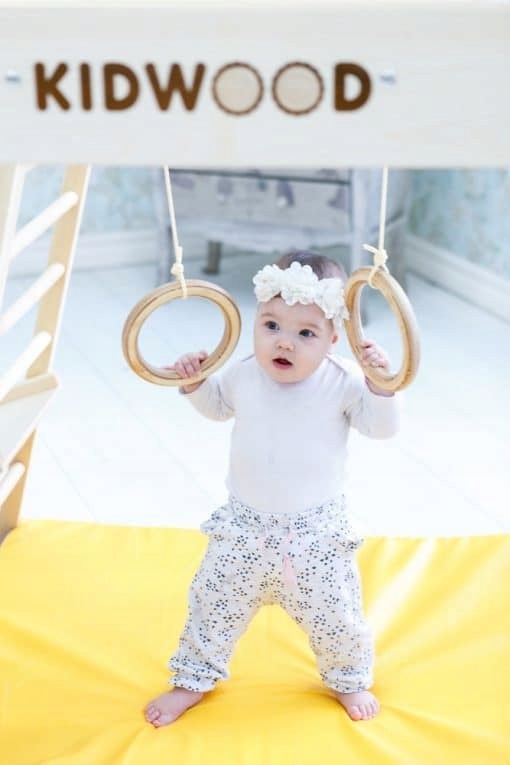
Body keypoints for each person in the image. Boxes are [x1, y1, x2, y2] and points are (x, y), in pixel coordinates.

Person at [144, 250, 398, 727]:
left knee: (337, 615)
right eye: (271, 325)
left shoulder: (343, 381)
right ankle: (192, 679)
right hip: (243, 530)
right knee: (212, 605)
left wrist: (381, 386)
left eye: (306, 334)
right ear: (255, 321)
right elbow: (217, 407)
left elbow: (381, 429)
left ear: (333, 340)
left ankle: (348, 677)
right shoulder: (244, 372)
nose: (284, 342)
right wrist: (195, 383)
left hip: (315, 537)